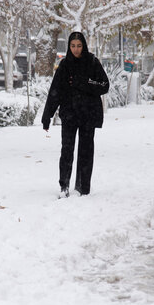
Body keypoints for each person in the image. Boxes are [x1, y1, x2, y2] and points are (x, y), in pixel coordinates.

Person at [42, 31, 110, 198]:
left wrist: (83, 83)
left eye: (79, 46)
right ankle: (64, 185)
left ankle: (83, 187)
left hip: (88, 115)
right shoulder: (65, 65)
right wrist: (47, 116)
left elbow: (104, 85)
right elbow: (55, 92)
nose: (76, 49)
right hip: (70, 114)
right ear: (69, 46)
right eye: (73, 46)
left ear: (84, 46)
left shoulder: (93, 63)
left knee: (86, 152)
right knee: (67, 150)